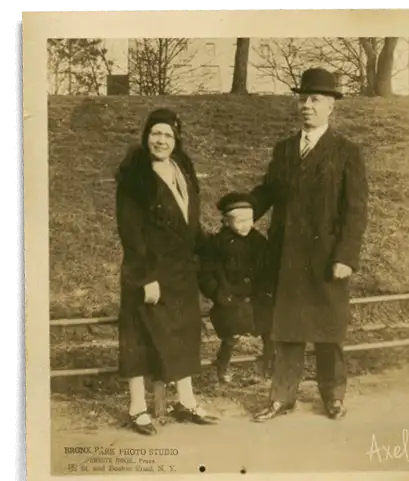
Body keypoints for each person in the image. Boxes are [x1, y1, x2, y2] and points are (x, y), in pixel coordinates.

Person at [249, 68, 368, 423]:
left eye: (315, 100)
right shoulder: (284, 150)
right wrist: (242, 210)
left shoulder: (347, 152)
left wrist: (346, 256)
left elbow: (356, 211)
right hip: (286, 256)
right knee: (286, 330)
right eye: (303, 99)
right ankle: (281, 398)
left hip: (327, 258)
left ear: (331, 107)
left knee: (328, 331)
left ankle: (332, 396)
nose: (307, 106)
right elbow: (268, 191)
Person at [115, 107, 219, 435]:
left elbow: (189, 222)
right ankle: (137, 408)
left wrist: (209, 251)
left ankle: (185, 401)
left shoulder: (181, 168)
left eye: (168, 135)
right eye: (155, 134)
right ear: (146, 136)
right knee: (140, 337)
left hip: (181, 270)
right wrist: (146, 277)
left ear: (177, 140)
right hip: (148, 271)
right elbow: (130, 231)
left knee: (185, 333)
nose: (161, 140)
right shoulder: (135, 175)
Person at [198, 192, 275, 384]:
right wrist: (217, 293)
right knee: (232, 333)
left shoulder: (259, 242)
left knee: (270, 329)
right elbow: (206, 273)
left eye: (248, 220)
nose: (244, 225)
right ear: (226, 221)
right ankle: (222, 366)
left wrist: (266, 290)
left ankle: (269, 365)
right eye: (238, 221)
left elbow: (268, 270)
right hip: (230, 296)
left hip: (257, 296)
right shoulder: (217, 244)